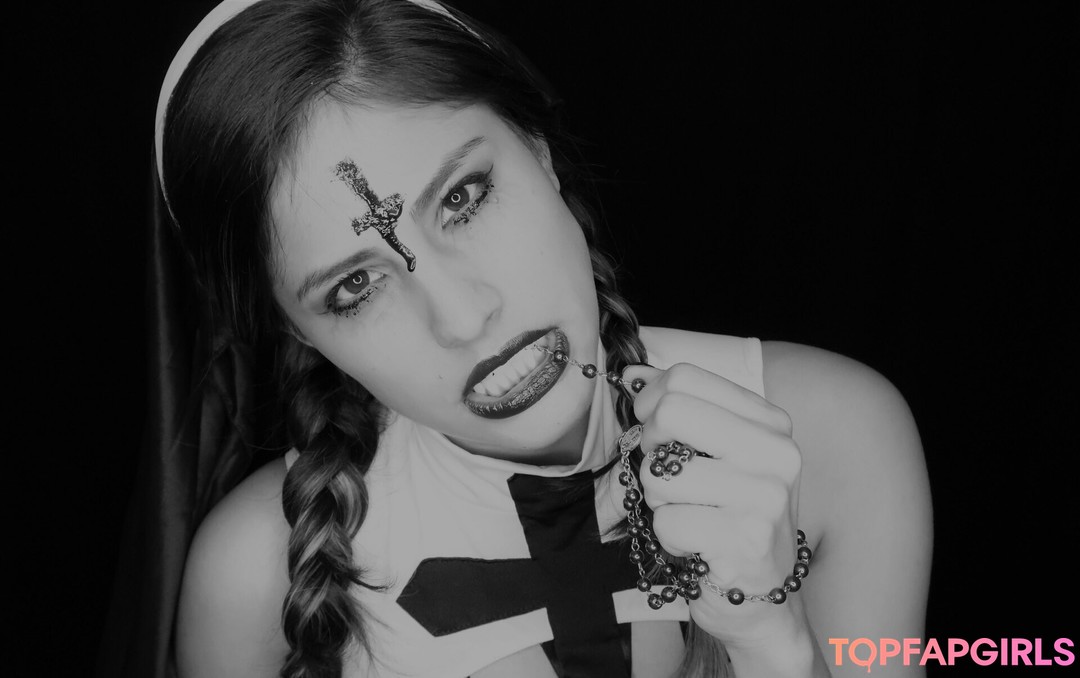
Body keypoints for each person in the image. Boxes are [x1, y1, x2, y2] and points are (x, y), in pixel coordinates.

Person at [158, 1, 932, 676]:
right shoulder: (256, 577)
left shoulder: (834, 435)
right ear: (296, 330)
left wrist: (770, 639)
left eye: (463, 197)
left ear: (539, 150)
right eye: (355, 287)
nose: (463, 319)